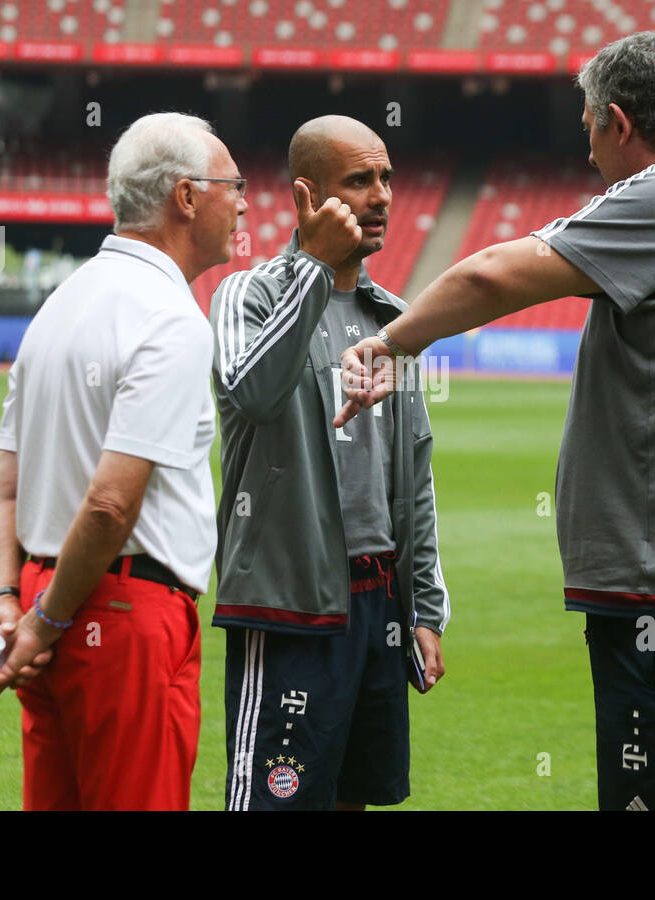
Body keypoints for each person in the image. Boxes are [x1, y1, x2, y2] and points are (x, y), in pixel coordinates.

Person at [338, 32, 655, 811]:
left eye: (590, 127)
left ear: (620, 123)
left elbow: (495, 272)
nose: (590, 152)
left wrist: (391, 344)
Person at [0, 112, 249, 811]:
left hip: (41, 596)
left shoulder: (60, 305)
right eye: (233, 185)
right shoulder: (170, 316)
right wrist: (45, 624)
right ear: (186, 197)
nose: (242, 201)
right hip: (123, 612)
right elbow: (111, 504)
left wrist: (11, 609)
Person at [210, 115, 450, 811]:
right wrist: (313, 268)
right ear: (308, 198)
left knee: (355, 797)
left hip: (379, 604)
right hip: (291, 604)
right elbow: (250, 392)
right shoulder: (246, 296)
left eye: (385, 179)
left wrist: (424, 609)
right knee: (276, 803)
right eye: (359, 181)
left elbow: (415, 471)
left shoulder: (393, 319)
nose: (381, 197)